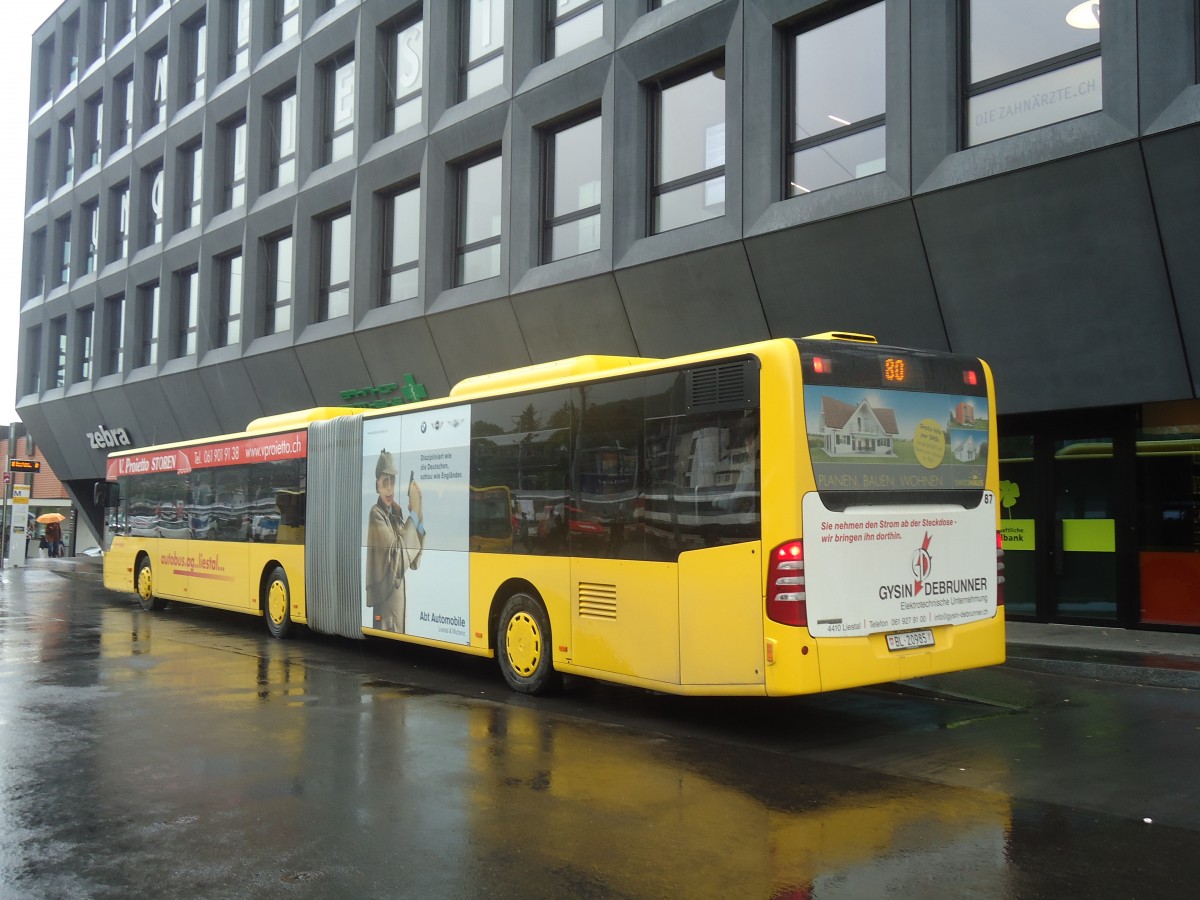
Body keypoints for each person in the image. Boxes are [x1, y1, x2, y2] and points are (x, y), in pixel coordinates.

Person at [365, 451, 425, 633]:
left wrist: (418, 513)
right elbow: (398, 556)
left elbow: (413, 561)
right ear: (377, 486)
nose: (390, 488)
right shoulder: (376, 514)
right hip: (386, 607)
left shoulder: (396, 516)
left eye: (392, 481)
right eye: (385, 482)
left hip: (396, 609)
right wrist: (413, 515)